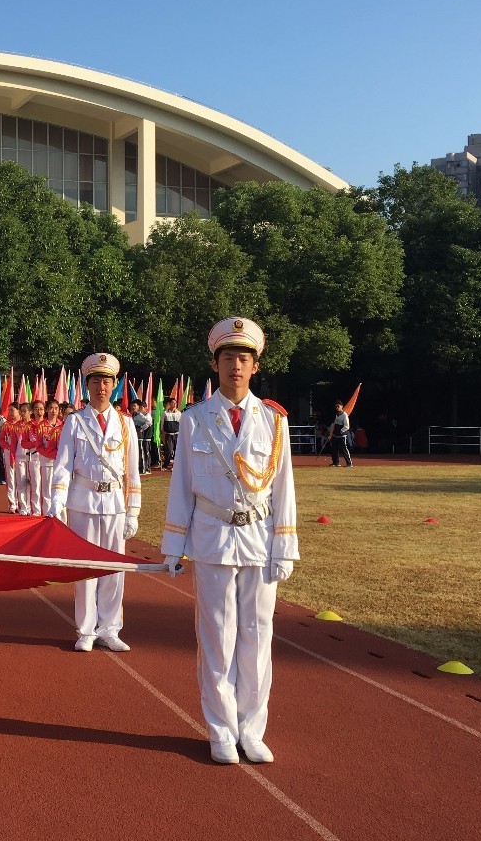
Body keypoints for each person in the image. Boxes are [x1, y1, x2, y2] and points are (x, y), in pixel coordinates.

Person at [162, 317, 298, 765]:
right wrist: (173, 545)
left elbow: (283, 490)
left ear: (255, 366)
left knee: (258, 637)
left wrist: (285, 547)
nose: (235, 366)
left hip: (259, 539)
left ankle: (252, 729)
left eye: (243, 358)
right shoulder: (196, 420)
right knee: (217, 638)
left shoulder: (275, 422)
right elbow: (181, 485)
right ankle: (221, 729)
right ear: (215, 363)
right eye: (227, 358)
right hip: (213, 538)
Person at [49, 353, 141, 653]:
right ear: (86, 385)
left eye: (107, 381)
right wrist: (57, 503)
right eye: (95, 381)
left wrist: (133, 511)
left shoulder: (126, 424)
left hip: (114, 503)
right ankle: (86, 630)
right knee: (85, 568)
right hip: (82, 502)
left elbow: (132, 471)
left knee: (114, 569)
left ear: (115, 385)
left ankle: (110, 628)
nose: (101, 386)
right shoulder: (75, 422)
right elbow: (63, 466)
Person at [0, 404, 22, 512]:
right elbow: (0, 440)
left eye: (12, 410)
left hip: (21, 453)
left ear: (19, 411)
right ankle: (12, 504)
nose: (10, 412)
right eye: (9, 410)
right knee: (11, 478)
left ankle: (21, 502)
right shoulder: (6, 425)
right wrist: (8, 446)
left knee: (21, 478)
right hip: (9, 453)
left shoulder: (23, 425)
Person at [130, 400, 154, 474]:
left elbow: (149, 422)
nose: (133, 407)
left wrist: (141, 428)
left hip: (140, 436)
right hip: (134, 436)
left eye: (135, 406)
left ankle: (143, 469)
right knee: (136, 453)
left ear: (138, 407)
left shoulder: (140, 415)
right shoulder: (133, 415)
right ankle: (139, 468)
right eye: (132, 406)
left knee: (141, 452)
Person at [329, 401, 353, 467]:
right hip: (335, 435)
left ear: (342, 406)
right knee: (334, 449)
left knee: (344, 449)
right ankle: (336, 462)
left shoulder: (344, 415)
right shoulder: (337, 415)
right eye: (336, 406)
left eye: (338, 406)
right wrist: (332, 434)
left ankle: (349, 464)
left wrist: (341, 431)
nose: (337, 407)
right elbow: (334, 425)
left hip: (342, 435)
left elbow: (347, 426)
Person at [161, 397, 181, 469]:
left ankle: (175, 466)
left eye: (175, 403)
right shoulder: (165, 413)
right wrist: (162, 433)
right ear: (169, 404)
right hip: (168, 435)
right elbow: (162, 424)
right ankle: (165, 464)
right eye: (173, 403)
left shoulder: (179, 413)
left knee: (177, 450)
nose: (174, 404)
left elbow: (181, 424)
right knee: (169, 450)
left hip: (177, 434)